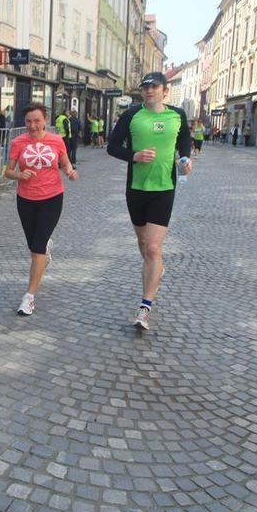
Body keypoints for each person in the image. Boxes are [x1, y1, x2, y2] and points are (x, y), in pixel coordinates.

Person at [106, 72, 191, 330]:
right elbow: (112, 146)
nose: (149, 90)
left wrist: (185, 159)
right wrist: (134, 155)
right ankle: (156, 268)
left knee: (153, 248)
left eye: (154, 86)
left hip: (164, 188)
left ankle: (145, 307)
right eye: (145, 87)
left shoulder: (177, 115)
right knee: (143, 243)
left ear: (165, 91)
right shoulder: (131, 115)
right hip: (136, 188)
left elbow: (184, 140)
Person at [5, 104, 78, 316]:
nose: (33, 125)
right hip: (26, 199)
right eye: (28, 121)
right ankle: (45, 249)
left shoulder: (56, 141)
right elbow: (8, 171)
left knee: (37, 248)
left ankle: (29, 298)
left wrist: (70, 172)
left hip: (52, 198)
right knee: (33, 245)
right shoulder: (18, 143)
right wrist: (19, 175)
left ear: (45, 120)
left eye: (37, 121)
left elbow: (65, 163)